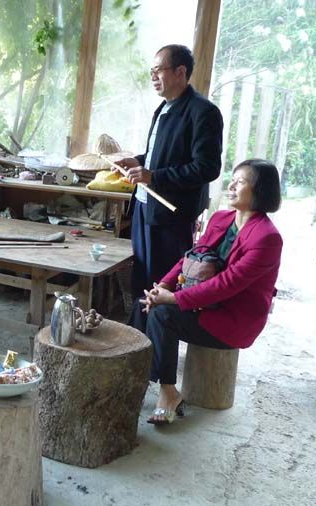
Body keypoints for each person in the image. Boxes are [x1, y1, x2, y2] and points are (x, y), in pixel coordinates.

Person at [140, 159, 283, 425]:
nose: (231, 186)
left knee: (162, 315)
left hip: (232, 319)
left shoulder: (267, 237)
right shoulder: (221, 219)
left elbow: (228, 283)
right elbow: (190, 257)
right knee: (151, 307)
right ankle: (159, 384)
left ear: (260, 190)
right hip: (204, 304)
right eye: (232, 179)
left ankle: (167, 393)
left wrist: (174, 298)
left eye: (240, 182)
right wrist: (164, 286)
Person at [117, 44, 224, 333]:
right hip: (144, 207)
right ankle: (136, 337)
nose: (153, 76)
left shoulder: (203, 112)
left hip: (170, 215)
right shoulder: (163, 108)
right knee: (141, 276)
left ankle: (155, 344)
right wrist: (138, 161)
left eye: (158, 70)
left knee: (162, 282)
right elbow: (161, 156)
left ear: (180, 72)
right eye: (151, 71)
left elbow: (207, 167)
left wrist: (154, 176)